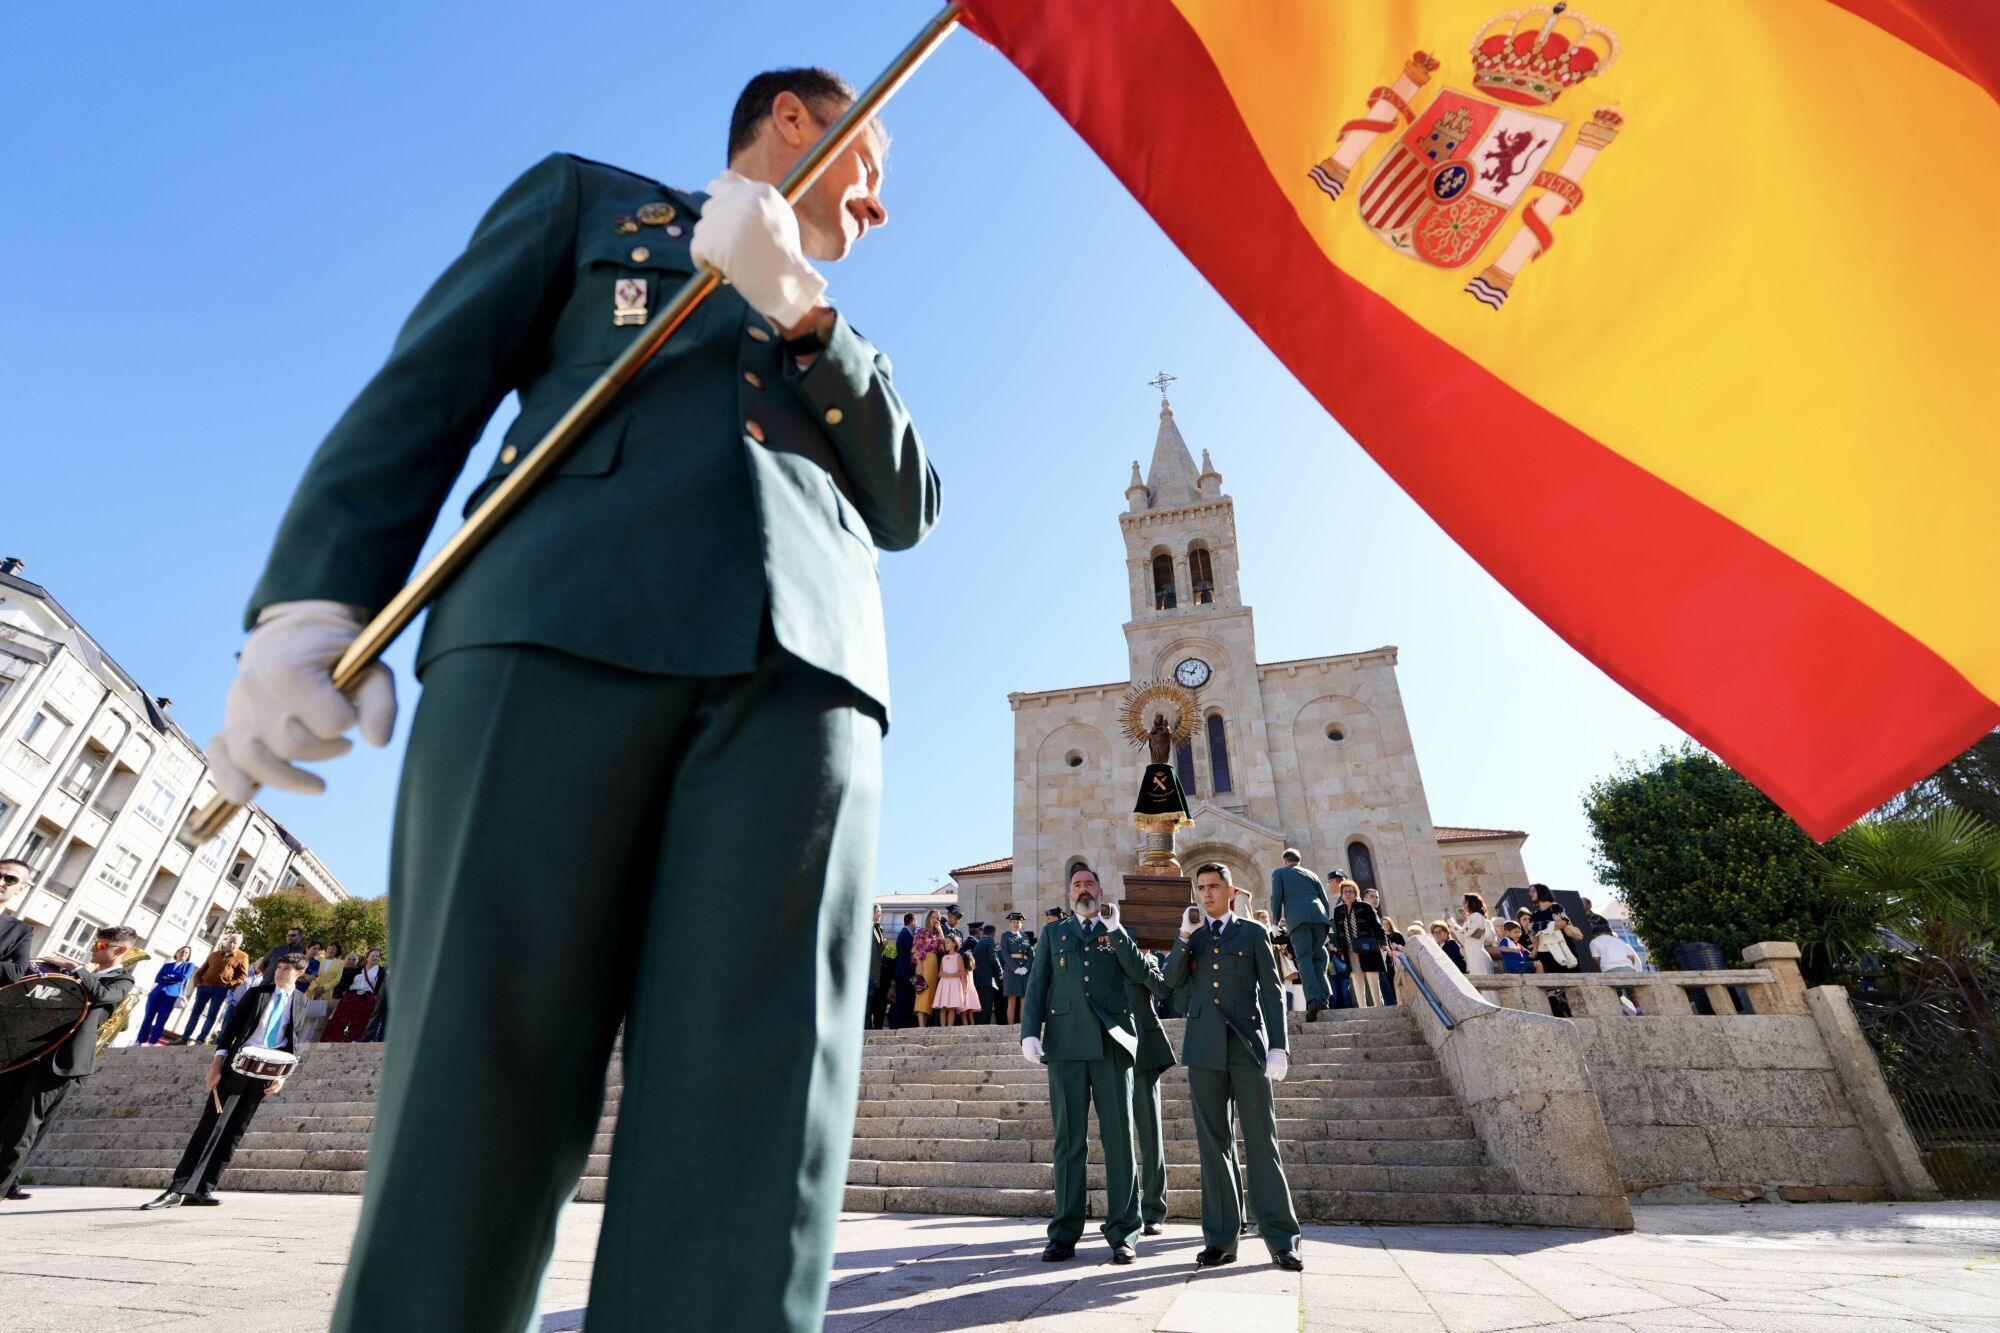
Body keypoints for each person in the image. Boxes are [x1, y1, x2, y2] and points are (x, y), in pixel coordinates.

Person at [200, 61, 934, 1333]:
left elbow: (908, 503)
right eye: (871, 162)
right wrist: (313, 595)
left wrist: (800, 311)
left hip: (796, 684)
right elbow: (427, 386)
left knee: (753, 1110)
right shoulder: (589, 203)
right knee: (473, 1076)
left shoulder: (831, 330)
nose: (879, 204)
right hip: (546, 637)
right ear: (796, 120)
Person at [1166, 864, 1303, 1270]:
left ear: (1231, 891)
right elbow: (1171, 983)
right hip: (1203, 1050)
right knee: (1214, 1145)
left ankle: (1281, 1239)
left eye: (1214, 886)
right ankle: (1221, 1240)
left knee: (1262, 1141)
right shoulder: (1192, 936)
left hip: (1247, 1047)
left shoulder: (1253, 932)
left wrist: (1278, 1046)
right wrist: (1183, 937)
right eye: (1201, 887)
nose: (1206, 893)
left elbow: (1272, 991)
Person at [1020, 864, 1152, 1265]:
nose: (1083, 890)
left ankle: (1124, 1232)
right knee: (1069, 1141)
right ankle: (1063, 1233)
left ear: (1100, 890)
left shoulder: (1116, 929)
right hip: (1066, 1044)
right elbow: (1038, 984)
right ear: (1069, 894)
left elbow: (1139, 973)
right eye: (1076, 885)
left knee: (1119, 1141)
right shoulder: (1053, 933)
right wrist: (1030, 1032)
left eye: (1089, 884)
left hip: (1112, 1043)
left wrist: (1116, 930)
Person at [141, 952, 304, 1210]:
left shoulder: (301, 1000)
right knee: (209, 1125)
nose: (280, 972)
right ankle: (177, 1188)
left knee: (236, 1130)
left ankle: (204, 1189)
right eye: (279, 967)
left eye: (287, 969)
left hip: (266, 1072)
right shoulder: (257, 993)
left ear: (300, 973)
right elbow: (230, 1030)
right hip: (237, 1065)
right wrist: (216, 1066)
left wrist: (282, 1075)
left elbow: (292, 1039)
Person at [0, 925, 140, 1201]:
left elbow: (102, 996)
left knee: (26, 1126)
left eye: (101, 946)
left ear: (120, 951)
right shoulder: (76, 974)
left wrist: (77, 969)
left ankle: (3, 1186)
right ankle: (11, 1181)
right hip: (32, 1053)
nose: (93, 948)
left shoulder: (123, 980)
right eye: (96, 943)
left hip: (64, 1061)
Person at [1105, 902, 1177, 1238]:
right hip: (1115, 1053)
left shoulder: (1146, 962)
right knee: (1119, 1137)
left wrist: (1141, 959)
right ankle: (1126, 1210)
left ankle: (1154, 1209)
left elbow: (1163, 989)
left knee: (1150, 1135)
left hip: (1145, 1052)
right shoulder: (1104, 964)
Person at [1267, 849, 1334, 1021]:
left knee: (1304, 959)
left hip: (1298, 920)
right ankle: (1324, 998)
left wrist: (1275, 923)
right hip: (1320, 918)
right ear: (1299, 860)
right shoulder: (1312, 874)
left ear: (1285, 861)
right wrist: (1326, 923)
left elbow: (1276, 898)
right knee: (1317, 957)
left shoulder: (1279, 873)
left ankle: (1313, 1001)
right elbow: (1325, 900)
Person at [1529, 884, 1584, 1017]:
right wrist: (1536, 933)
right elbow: (1532, 933)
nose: (1530, 894)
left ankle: (1577, 1012)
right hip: (1545, 952)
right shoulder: (1534, 915)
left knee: (1571, 981)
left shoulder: (1555, 907)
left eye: (1533, 891)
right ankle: (1560, 1014)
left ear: (1541, 891)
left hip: (1563, 948)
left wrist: (1541, 927)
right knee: (1552, 983)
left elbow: (1562, 923)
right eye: (1530, 892)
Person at [185, 935, 249, 1044]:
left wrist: (228, 985)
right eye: (230, 941)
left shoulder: (243, 956)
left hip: (220, 989)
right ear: (227, 942)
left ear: (239, 945)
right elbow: (201, 970)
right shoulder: (215, 954)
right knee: (195, 1013)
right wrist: (198, 984)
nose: (232, 944)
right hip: (204, 987)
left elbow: (242, 976)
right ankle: (185, 1038)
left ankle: (200, 1039)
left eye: (235, 943)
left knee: (211, 1015)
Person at [1332, 880, 1387, 1006]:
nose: (1347, 894)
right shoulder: (1338, 910)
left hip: (1368, 948)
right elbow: (1338, 933)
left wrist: (1383, 943)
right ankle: (1363, 1009)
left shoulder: (1366, 907)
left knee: (1373, 979)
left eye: (1350, 891)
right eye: (1345, 892)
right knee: (1357, 979)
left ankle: (1379, 1007)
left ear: (1355, 893)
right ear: (1341, 894)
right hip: (1350, 950)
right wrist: (1341, 951)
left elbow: (1377, 926)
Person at [324, 949, 384, 1042]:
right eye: (373, 955)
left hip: (366, 999)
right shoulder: (358, 969)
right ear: (367, 957)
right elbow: (348, 981)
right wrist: (345, 992)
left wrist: (376, 998)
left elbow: (381, 986)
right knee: (339, 1020)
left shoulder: (380, 971)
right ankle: (329, 1042)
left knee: (360, 1024)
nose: (375, 958)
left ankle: (356, 1044)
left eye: (377, 956)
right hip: (351, 996)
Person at [138, 947, 196, 1045]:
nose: (184, 954)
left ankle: (152, 1042)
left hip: (170, 996)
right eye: (182, 951)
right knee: (147, 1018)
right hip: (156, 994)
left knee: (161, 1020)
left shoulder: (189, 965)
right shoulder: (167, 965)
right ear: (177, 953)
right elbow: (157, 978)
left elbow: (183, 977)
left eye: (187, 953)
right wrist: (173, 978)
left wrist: (168, 976)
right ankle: (139, 1041)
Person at [0, 859, 36, 982]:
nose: (1, 882)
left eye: (10, 879)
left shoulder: (21, 930)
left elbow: (17, 970)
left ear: (21, 888)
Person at [1000, 912, 1032, 1026]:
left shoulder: (1025, 937)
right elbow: (1005, 954)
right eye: (1014, 922)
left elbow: (1030, 955)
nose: (1016, 924)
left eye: (1018, 922)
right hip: (1011, 972)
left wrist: (1026, 968)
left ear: (1021, 924)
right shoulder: (1006, 936)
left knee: (1024, 999)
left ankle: (1022, 1026)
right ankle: (1010, 1026)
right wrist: (1016, 968)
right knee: (1012, 999)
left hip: (1024, 972)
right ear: (1010, 923)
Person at [911, 911, 943, 1027]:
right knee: (922, 993)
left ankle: (923, 1025)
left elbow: (943, 948)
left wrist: (940, 930)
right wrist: (919, 964)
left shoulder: (937, 934)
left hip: (934, 965)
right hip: (923, 964)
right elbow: (916, 948)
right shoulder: (921, 931)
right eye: (933, 917)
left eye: (937, 918)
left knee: (930, 996)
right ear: (929, 918)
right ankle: (921, 1026)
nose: (935, 920)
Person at [932, 936, 972, 1027]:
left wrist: (951, 975)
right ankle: (943, 1027)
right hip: (944, 984)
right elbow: (940, 972)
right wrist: (942, 974)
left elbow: (962, 972)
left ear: (954, 944)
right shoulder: (944, 957)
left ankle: (950, 1027)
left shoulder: (958, 956)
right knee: (943, 1007)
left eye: (948, 942)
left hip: (954, 984)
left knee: (951, 1007)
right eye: (945, 943)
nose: (946, 945)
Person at [866, 905, 892, 1031]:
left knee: (870, 1002)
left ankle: (868, 1027)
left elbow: (877, 949)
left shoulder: (877, 927)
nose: (881, 914)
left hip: (874, 973)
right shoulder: (869, 927)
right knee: (867, 1003)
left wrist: (883, 945)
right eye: (879, 912)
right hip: (869, 973)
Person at [1457, 894, 1497, 976]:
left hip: (1477, 955)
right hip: (1473, 956)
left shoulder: (1477, 916)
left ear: (1471, 903)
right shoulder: (1472, 918)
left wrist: (1451, 923)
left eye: (1465, 902)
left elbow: (1465, 933)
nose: (1463, 905)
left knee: (1483, 981)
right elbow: (1464, 940)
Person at [890, 913, 917, 1029]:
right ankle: (896, 1026)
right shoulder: (906, 934)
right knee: (902, 1000)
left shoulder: (905, 933)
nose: (916, 925)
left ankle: (903, 1024)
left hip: (906, 973)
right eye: (916, 922)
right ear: (912, 922)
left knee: (908, 999)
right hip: (905, 973)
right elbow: (913, 950)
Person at [972, 924, 1002, 1025]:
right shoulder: (989, 941)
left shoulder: (979, 942)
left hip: (979, 980)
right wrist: (1000, 970)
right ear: (993, 933)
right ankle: (983, 1027)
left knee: (981, 1008)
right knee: (986, 1008)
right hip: (988, 981)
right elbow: (993, 957)